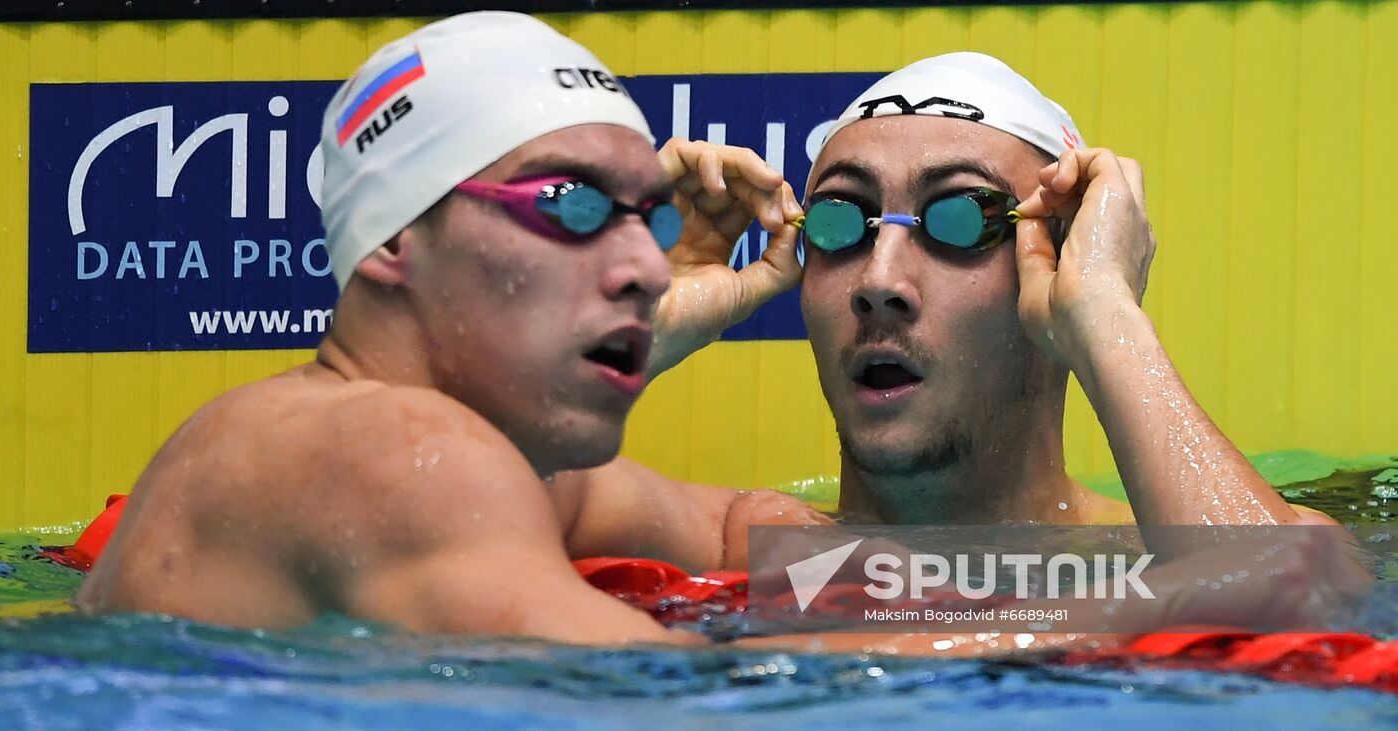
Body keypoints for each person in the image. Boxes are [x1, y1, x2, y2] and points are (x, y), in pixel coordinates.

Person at [76, 12, 821, 641]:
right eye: (567, 203)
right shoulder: (389, 452)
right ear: (394, 236)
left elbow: (735, 524)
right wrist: (931, 632)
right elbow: (705, 704)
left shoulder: (370, 440)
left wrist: (929, 584)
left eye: (650, 218)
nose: (651, 270)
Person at [786, 53, 1340, 529]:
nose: (879, 281)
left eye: (959, 219)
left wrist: (1102, 312)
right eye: (841, 222)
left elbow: (1279, 603)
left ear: (1056, 256)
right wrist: (695, 307)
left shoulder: (1153, 555)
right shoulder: (736, 547)